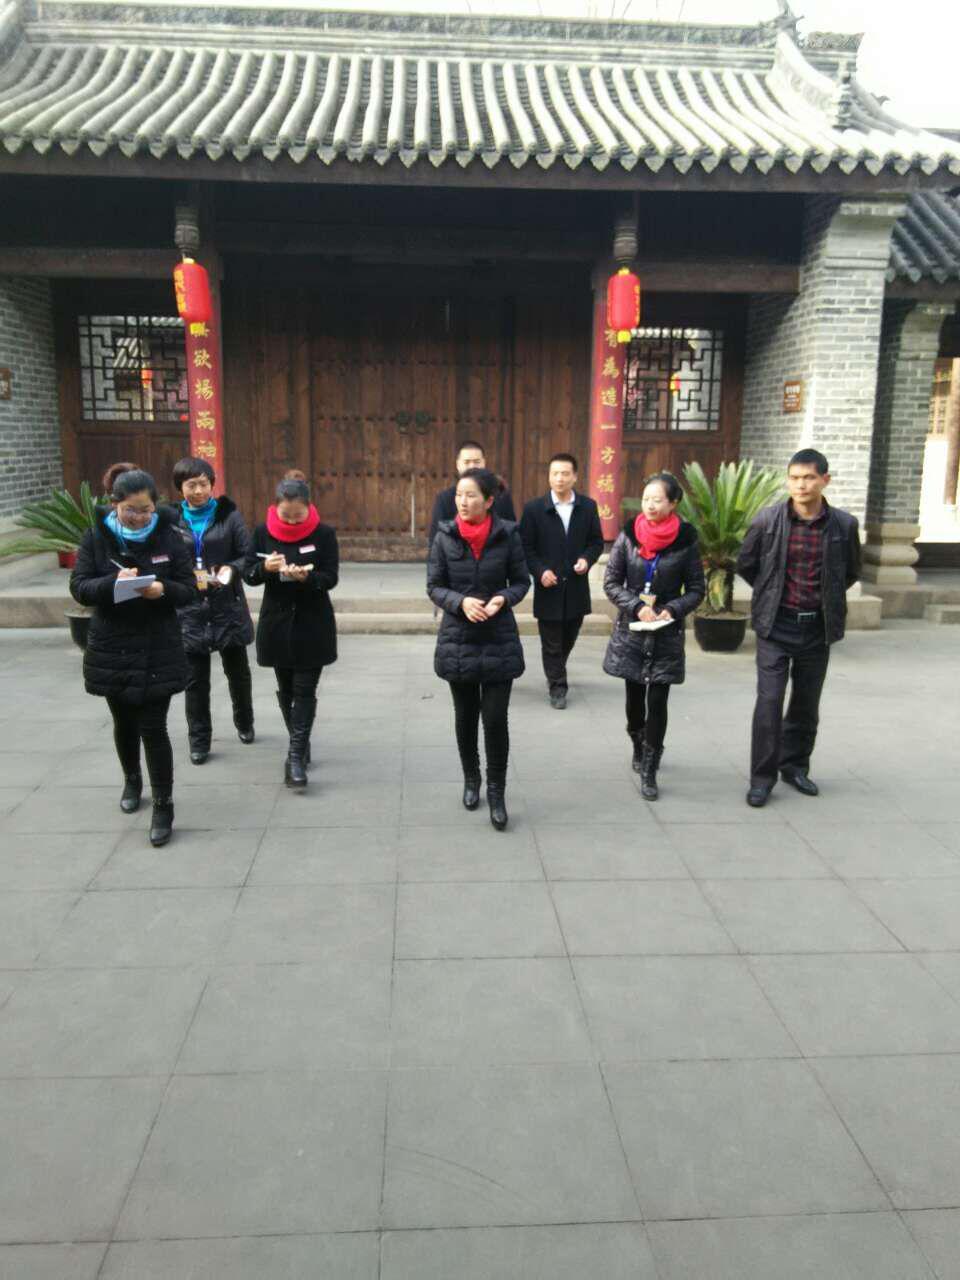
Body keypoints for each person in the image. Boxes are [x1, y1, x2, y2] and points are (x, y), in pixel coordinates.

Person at [69, 463, 195, 846]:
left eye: (146, 510)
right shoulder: (96, 537)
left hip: (158, 646)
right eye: (130, 510)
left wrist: (163, 590)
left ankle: (164, 805)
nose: (139, 517)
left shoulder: (170, 536)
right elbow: (80, 586)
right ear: (115, 504)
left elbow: (188, 589)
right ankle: (131, 780)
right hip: (113, 646)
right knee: (124, 722)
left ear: (155, 506)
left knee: (154, 727)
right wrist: (112, 583)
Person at [736, 448, 861, 808]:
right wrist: (771, 593)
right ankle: (762, 779)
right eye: (794, 478)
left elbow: (850, 572)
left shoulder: (844, 525)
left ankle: (794, 766)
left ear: (825, 480)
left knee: (806, 703)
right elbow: (747, 564)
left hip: (817, 628)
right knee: (769, 701)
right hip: (776, 625)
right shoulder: (768, 520)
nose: (801, 485)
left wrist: (824, 599)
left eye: (808, 477)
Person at [427, 466, 530, 830]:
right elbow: (434, 585)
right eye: (459, 495)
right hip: (459, 639)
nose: (462, 501)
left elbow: (521, 581)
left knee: (496, 718)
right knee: (466, 716)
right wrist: (459, 602)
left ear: (489, 501)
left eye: (470, 495)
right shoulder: (445, 536)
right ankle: (472, 779)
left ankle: (497, 791)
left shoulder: (508, 535)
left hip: (498, 638)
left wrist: (503, 598)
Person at [602, 472, 705, 800]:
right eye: (646, 499)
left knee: (658, 700)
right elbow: (611, 582)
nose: (650, 505)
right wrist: (636, 606)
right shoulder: (629, 535)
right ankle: (637, 740)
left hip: (666, 632)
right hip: (632, 631)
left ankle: (650, 766)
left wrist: (672, 609)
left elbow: (697, 589)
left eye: (657, 500)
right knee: (634, 700)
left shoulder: (686, 541)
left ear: (673, 503)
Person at [244, 477, 339, 788]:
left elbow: (330, 577)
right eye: (286, 515)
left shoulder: (324, 534)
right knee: (285, 688)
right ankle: (301, 740)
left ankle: (295, 757)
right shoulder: (262, 532)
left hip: (313, 622)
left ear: (309, 507)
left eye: (299, 515)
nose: (293, 521)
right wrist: (265, 569)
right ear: (276, 508)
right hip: (277, 622)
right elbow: (248, 574)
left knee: (304, 689)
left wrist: (307, 578)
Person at [165, 456, 254, 765]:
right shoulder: (170, 520)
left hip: (227, 604)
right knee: (195, 680)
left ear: (212, 484)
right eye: (191, 485)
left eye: (203, 484)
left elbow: (247, 555)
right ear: (180, 488)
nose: (198, 491)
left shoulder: (229, 516)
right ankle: (199, 740)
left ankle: (245, 722)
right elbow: (164, 560)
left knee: (238, 673)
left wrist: (231, 569)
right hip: (189, 608)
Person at [519, 452, 604, 709]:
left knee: (569, 637)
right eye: (555, 473)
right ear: (548, 476)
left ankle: (555, 670)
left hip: (576, 586)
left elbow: (596, 542)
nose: (559, 478)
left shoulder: (587, 507)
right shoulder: (534, 509)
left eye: (565, 473)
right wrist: (540, 571)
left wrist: (587, 560)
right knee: (552, 642)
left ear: (575, 477)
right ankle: (558, 687)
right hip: (549, 587)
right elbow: (526, 548)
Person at [427, 440, 516, 548]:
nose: (472, 466)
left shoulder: (501, 496)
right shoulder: (445, 498)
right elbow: (435, 542)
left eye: (477, 462)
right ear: (458, 465)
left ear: (484, 463)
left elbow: (512, 535)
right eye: (467, 462)